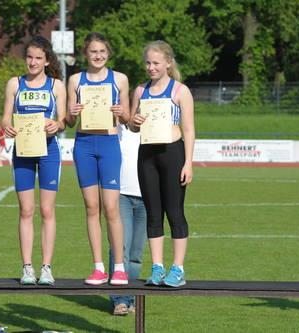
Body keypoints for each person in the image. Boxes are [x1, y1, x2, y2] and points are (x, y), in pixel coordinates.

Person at [129, 40, 195, 287]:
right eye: (148, 63)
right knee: (153, 213)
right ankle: (157, 267)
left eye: (156, 63)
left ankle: (177, 269)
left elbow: (188, 129)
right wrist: (134, 121)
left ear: (168, 62)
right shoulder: (140, 90)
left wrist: (188, 162)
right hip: (147, 155)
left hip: (173, 154)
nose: (151, 67)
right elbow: (132, 126)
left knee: (175, 212)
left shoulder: (180, 91)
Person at [67, 32, 130, 285]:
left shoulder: (120, 79)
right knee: (92, 207)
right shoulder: (75, 80)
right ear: (86, 53)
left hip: (109, 144)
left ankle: (119, 267)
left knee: (112, 208)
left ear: (108, 53)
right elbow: (70, 122)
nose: (98, 56)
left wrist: (122, 113)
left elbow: (126, 118)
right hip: (84, 144)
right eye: (93, 51)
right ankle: (98, 267)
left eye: (102, 51)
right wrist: (71, 113)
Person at [2, 36, 66, 285]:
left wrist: (56, 125)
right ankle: (27, 267)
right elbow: (6, 117)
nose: (33, 62)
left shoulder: (56, 86)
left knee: (47, 210)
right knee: (26, 210)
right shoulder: (14, 84)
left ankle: (46, 267)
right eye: (29, 57)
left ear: (46, 60)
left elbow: (63, 121)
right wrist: (8, 127)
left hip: (49, 150)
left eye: (39, 58)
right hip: (23, 151)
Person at [108, 123, 147, 315]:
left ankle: (130, 297)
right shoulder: (118, 128)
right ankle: (119, 299)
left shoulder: (153, 127)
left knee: (136, 254)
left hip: (147, 197)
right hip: (121, 195)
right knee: (120, 248)